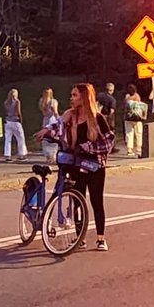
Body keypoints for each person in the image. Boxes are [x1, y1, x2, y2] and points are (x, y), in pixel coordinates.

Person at [38, 83, 115, 251]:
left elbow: (109, 141)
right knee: (77, 199)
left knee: (96, 201)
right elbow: (57, 124)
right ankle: (80, 237)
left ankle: (101, 238)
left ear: (84, 97)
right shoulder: (70, 115)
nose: (71, 98)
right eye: (71, 95)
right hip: (76, 163)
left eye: (75, 95)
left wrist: (89, 147)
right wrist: (47, 131)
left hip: (95, 165)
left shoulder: (97, 118)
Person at [3, 89, 28, 162]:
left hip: (8, 121)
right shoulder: (17, 102)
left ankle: (8, 155)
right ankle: (21, 154)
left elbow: (5, 112)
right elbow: (18, 111)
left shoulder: (6, 102)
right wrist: (21, 119)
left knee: (8, 139)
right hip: (15, 121)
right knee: (20, 138)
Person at [123, 83, 147, 157]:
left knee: (129, 133)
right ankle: (139, 149)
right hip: (137, 119)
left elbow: (124, 106)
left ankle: (129, 150)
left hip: (128, 118)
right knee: (138, 133)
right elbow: (140, 107)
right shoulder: (137, 96)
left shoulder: (127, 97)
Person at [96, 82, 118, 152]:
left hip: (99, 116)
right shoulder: (112, 99)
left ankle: (99, 146)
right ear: (112, 90)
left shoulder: (99, 95)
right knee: (110, 133)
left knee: (100, 133)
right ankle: (111, 148)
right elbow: (112, 111)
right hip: (107, 117)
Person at [40, 99, 62, 163]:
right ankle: (52, 156)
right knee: (53, 138)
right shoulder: (53, 101)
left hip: (45, 120)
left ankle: (48, 157)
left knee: (46, 139)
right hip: (52, 120)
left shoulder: (42, 101)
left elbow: (43, 112)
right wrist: (59, 118)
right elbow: (55, 111)